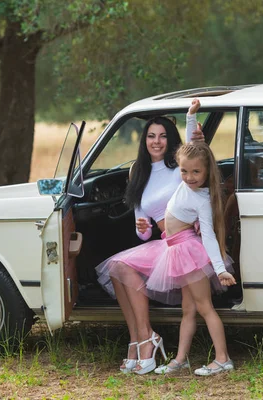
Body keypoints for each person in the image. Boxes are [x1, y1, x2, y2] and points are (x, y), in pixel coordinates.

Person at [96, 99, 204, 375]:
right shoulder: (137, 171)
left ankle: (147, 339)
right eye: (151, 136)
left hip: (183, 242)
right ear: (144, 140)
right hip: (160, 241)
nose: (157, 142)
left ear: (171, 139)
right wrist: (142, 226)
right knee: (116, 269)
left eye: (163, 136)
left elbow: (195, 147)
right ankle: (137, 340)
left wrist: (191, 117)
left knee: (119, 267)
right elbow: (142, 234)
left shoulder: (179, 165)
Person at [146, 139, 237, 376]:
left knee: (205, 307)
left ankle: (222, 358)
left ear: (207, 171)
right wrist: (190, 116)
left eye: (196, 171)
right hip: (176, 250)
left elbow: (208, 237)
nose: (189, 177)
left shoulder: (202, 199)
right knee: (188, 309)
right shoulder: (184, 183)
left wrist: (219, 269)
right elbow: (189, 147)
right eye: (184, 171)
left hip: (189, 252)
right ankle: (180, 359)